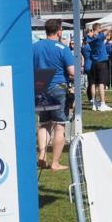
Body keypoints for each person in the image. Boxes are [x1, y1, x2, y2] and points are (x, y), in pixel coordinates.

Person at [33, 19, 75, 170]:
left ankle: (42, 155)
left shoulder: (34, 47)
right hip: (58, 86)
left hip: (39, 86)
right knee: (59, 125)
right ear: (59, 31)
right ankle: (55, 163)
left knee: (44, 123)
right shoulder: (62, 48)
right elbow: (72, 72)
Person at [87, 26, 112, 111]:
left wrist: (96, 31)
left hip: (94, 63)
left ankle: (94, 103)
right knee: (101, 83)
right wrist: (99, 30)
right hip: (101, 63)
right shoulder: (99, 37)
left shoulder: (89, 40)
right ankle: (102, 104)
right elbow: (109, 28)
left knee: (93, 84)